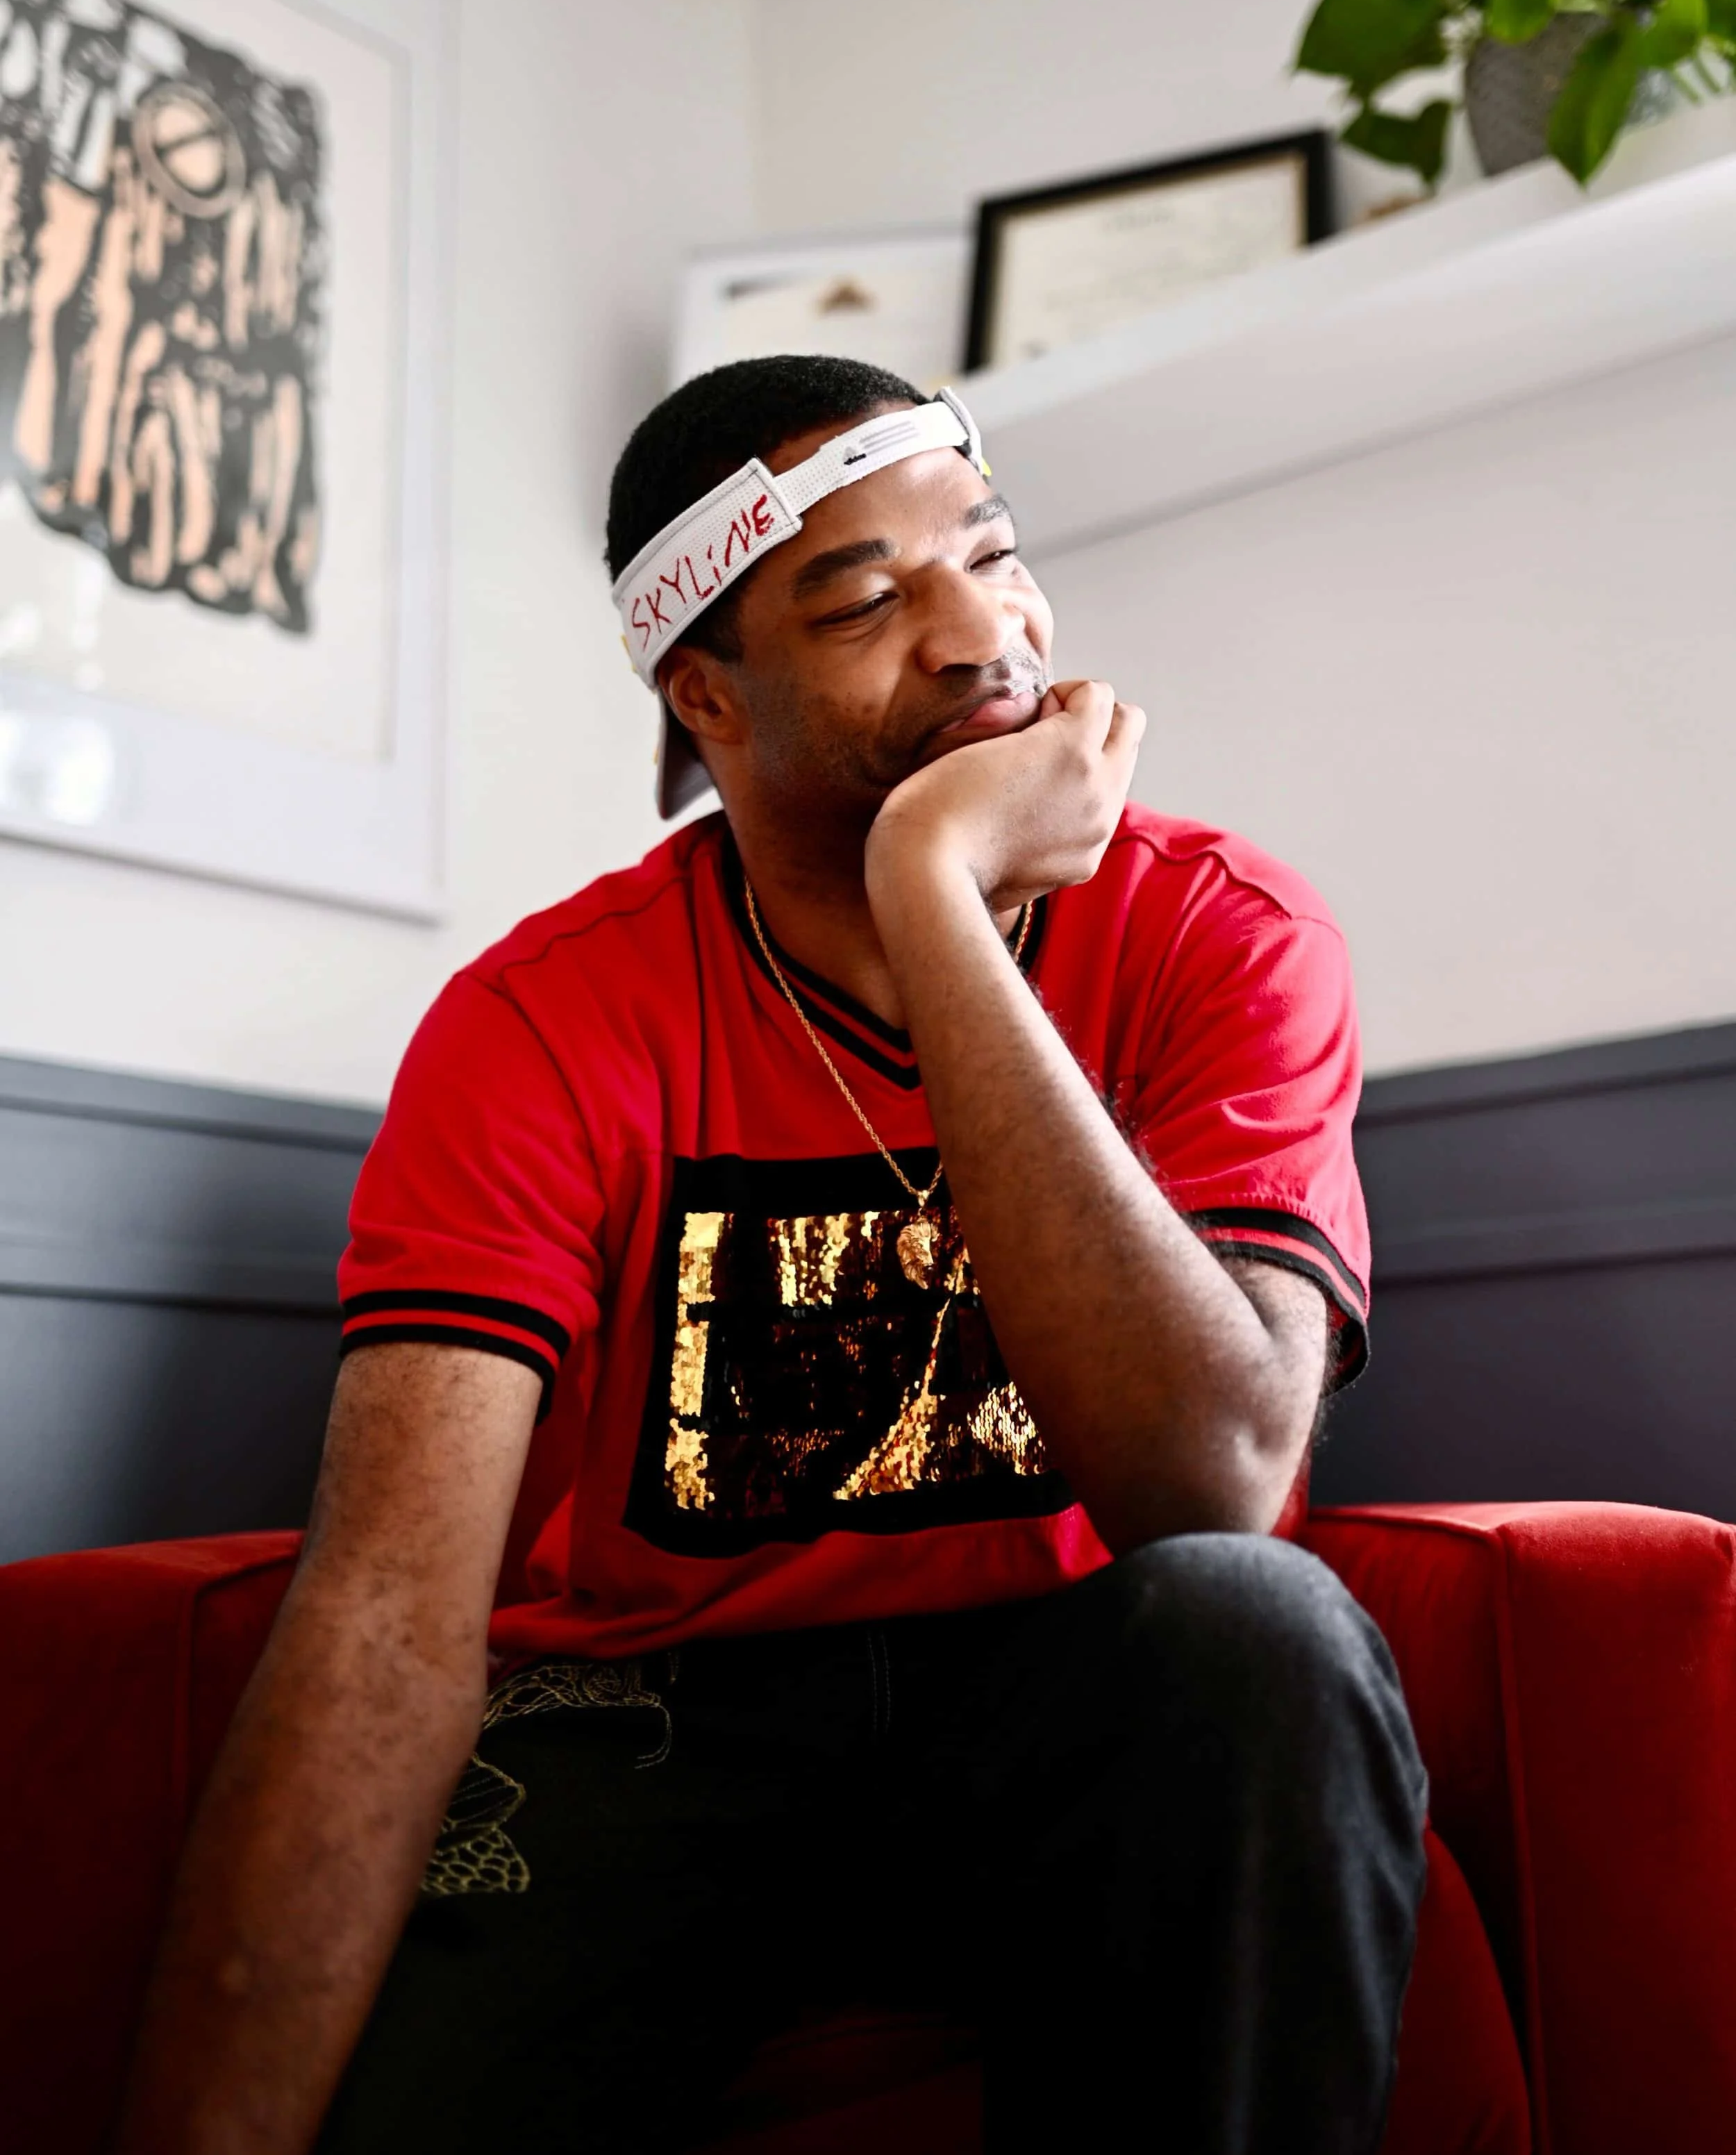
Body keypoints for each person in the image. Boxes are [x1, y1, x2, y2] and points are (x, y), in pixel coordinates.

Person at [117, 355, 1426, 2155]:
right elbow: (386, 1613)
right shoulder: (538, 1025)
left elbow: (1203, 1477)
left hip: (1084, 1693)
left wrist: (935, 905)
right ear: (709, 700)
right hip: (669, 1723)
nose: (982, 636)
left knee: (1252, 1620)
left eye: (991, 548)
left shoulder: (1220, 934)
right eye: (872, 598)